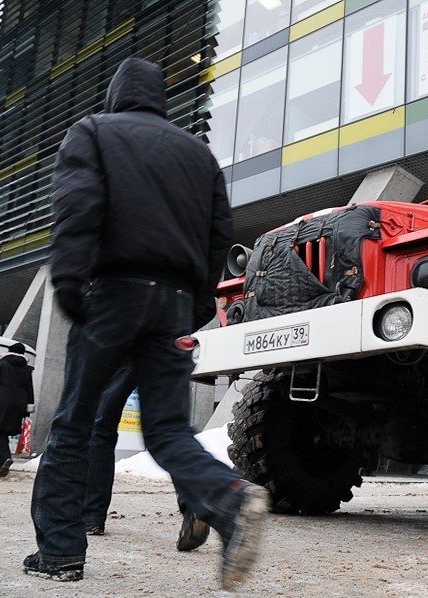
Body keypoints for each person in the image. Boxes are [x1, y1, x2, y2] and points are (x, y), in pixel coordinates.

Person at [24, 57, 268, 590]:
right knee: (167, 430)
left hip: (114, 291)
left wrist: (69, 283)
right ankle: (228, 498)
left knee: (74, 424)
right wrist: (198, 306)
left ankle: (60, 551)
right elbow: (218, 236)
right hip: (174, 302)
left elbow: (77, 208)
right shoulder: (197, 154)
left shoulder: (93, 131)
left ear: (115, 94)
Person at [82, 365, 209, 552]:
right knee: (170, 429)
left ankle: (92, 515)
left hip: (123, 344)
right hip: (165, 344)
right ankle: (193, 504)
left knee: (102, 427)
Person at [0, 342, 34, 477]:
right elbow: (29, 389)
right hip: (18, 405)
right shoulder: (26, 369)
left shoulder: (1, 364)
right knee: (4, 431)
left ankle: (6, 457)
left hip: (0, 403)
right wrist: (29, 406)